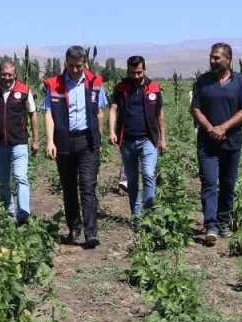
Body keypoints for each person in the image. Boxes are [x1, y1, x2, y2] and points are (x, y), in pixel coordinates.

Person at [43, 45, 107, 248]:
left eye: (79, 66)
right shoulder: (54, 85)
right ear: (65, 63)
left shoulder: (95, 83)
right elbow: (48, 114)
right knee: (69, 187)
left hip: (87, 141)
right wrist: (50, 141)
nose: (75, 70)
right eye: (71, 66)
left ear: (84, 63)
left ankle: (91, 233)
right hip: (64, 141)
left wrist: (99, 139)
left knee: (88, 186)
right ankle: (74, 228)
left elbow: (99, 113)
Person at [190, 43, 242, 246]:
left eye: (217, 58)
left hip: (231, 142)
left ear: (228, 59)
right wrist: (210, 129)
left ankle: (223, 221)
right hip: (207, 143)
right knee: (209, 183)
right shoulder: (203, 81)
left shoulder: (240, 82)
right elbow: (196, 109)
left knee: (227, 183)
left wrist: (223, 128)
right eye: (211, 57)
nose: (212, 61)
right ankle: (211, 225)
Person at [108, 56, 166, 230]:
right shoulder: (121, 88)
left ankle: (149, 215)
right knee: (132, 180)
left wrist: (163, 138)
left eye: (139, 72)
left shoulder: (153, 88)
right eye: (133, 72)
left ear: (144, 69)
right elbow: (113, 109)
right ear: (128, 71)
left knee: (148, 173)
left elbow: (160, 114)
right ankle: (136, 216)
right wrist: (111, 131)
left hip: (149, 139)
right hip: (127, 140)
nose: (136, 75)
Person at [0, 60, 39, 223]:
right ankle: (9, 213)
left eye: (10, 75)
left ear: (15, 74)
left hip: (19, 142)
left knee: (21, 177)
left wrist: (35, 140)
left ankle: (24, 213)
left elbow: (33, 115)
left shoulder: (24, 90)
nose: (7, 78)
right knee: (2, 182)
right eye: (4, 74)